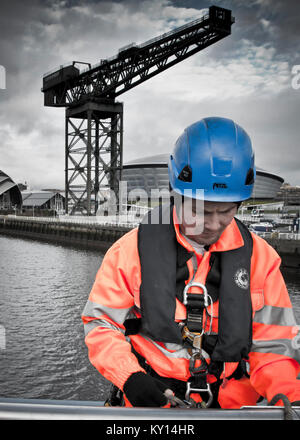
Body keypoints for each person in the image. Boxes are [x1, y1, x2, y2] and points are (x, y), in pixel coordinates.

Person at [82, 117, 300, 409]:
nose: (211, 224)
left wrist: (286, 396)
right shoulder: (129, 251)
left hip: (230, 410)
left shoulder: (262, 260)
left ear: (240, 204)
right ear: (177, 194)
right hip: (154, 405)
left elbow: (275, 345)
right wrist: (130, 376)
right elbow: (101, 324)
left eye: (224, 212)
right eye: (199, 209)